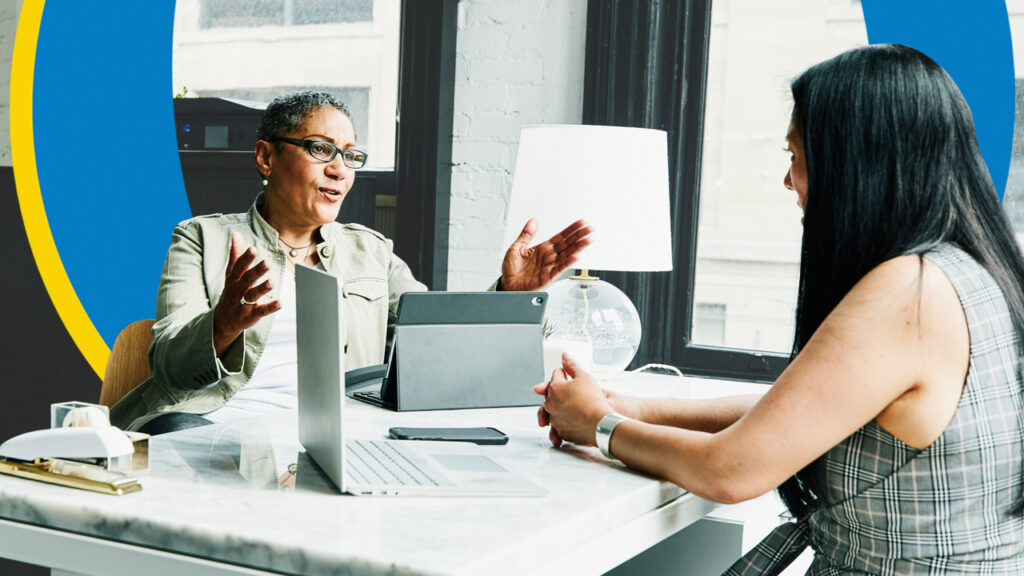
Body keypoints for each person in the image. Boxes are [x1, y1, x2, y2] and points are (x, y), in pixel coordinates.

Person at [535, 44, 1024, 575]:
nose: (788, 181)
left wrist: (597, 423)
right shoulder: (973, 270)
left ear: (854, 163)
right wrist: (634, 407)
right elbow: (801, 412)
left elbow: (731, 470)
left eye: (794, 157)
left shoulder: (909, 293)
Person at [111, 91, 592, 435]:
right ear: (265, 157)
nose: (340, 169)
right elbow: (170, 365)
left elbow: (435, 339)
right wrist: (224, 323)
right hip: (209, 424)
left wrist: (510, 294)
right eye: (320, 149)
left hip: (335, 437)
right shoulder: (202, 238)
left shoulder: (371, 251)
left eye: (350, 155)